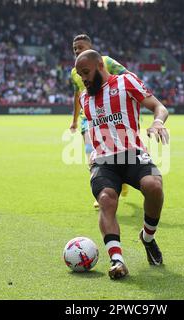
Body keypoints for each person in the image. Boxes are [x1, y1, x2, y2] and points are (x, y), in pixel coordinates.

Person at [75, 50, 169, 280]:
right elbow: (91, 127)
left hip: (132, 154)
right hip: (103, 161)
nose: (83, 79)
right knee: (106, 199)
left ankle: (147, 238)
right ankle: (117, 260)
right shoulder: (84, 98)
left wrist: (157, 123)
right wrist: (90, 150)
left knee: (154, 186)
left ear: (100, 65)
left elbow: (159, 107)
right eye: (80, 75)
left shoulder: (126, 81)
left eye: (86, 73)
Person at [69, 34, 130, 209]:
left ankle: (122, 180)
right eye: (75, 49)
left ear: (90, 47)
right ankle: (101, 193)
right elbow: (77, 96)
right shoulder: (74, 72)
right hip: (87, 119)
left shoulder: (106, 62)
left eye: (80, 47)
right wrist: (74, 120)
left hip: (109, 116)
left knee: (115, 154)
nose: (77, 51)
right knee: (92, 157)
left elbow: (127, 77)